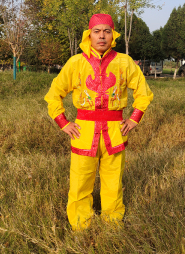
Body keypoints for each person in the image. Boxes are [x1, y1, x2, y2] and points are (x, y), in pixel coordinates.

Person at [44, 13, 153, 231]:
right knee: (80, 180)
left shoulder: (125, 62)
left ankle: (112, 221)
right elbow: (54, 94)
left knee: (113, 181)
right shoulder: (76, 63)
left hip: (115, 131)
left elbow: (143, 92)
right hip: (83, 131)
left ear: (113, 35)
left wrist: (134, 118)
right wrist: (64, 122)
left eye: (106, 31)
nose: (102, 36)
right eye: (97, 31)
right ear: (89, 35)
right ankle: (80, 222)